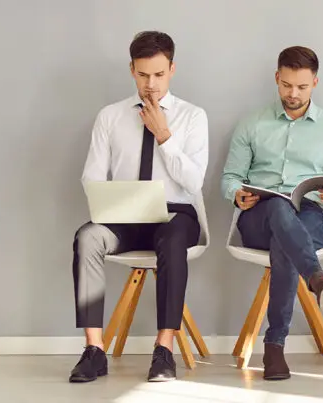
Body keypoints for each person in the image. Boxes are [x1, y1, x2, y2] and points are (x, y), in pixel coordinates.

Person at [69, 31, 208, 383]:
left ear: (172, 69)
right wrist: (111, 203)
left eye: (159, 75)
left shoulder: (193, 117)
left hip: (176, 215)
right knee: (87, 237)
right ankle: (93, 350)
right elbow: (92, 177)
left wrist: (165, 136)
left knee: (173, 236)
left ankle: (164, 350)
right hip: (126, 217)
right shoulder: (111, 117)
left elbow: (194, 183)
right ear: (132, 69)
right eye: (143, 75)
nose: (151, 84)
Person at [221, 46, 323, 381]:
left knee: (287, 240)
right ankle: (317, 279)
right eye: (286, 85)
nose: (292, 94)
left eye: (301, 86)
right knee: (280, 210)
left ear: (314, 83)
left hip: (308, 213)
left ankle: (274, 347)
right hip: (259, 214)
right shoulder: (252, 124)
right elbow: (229, 178)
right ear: (276, 79)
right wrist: (237, 194)